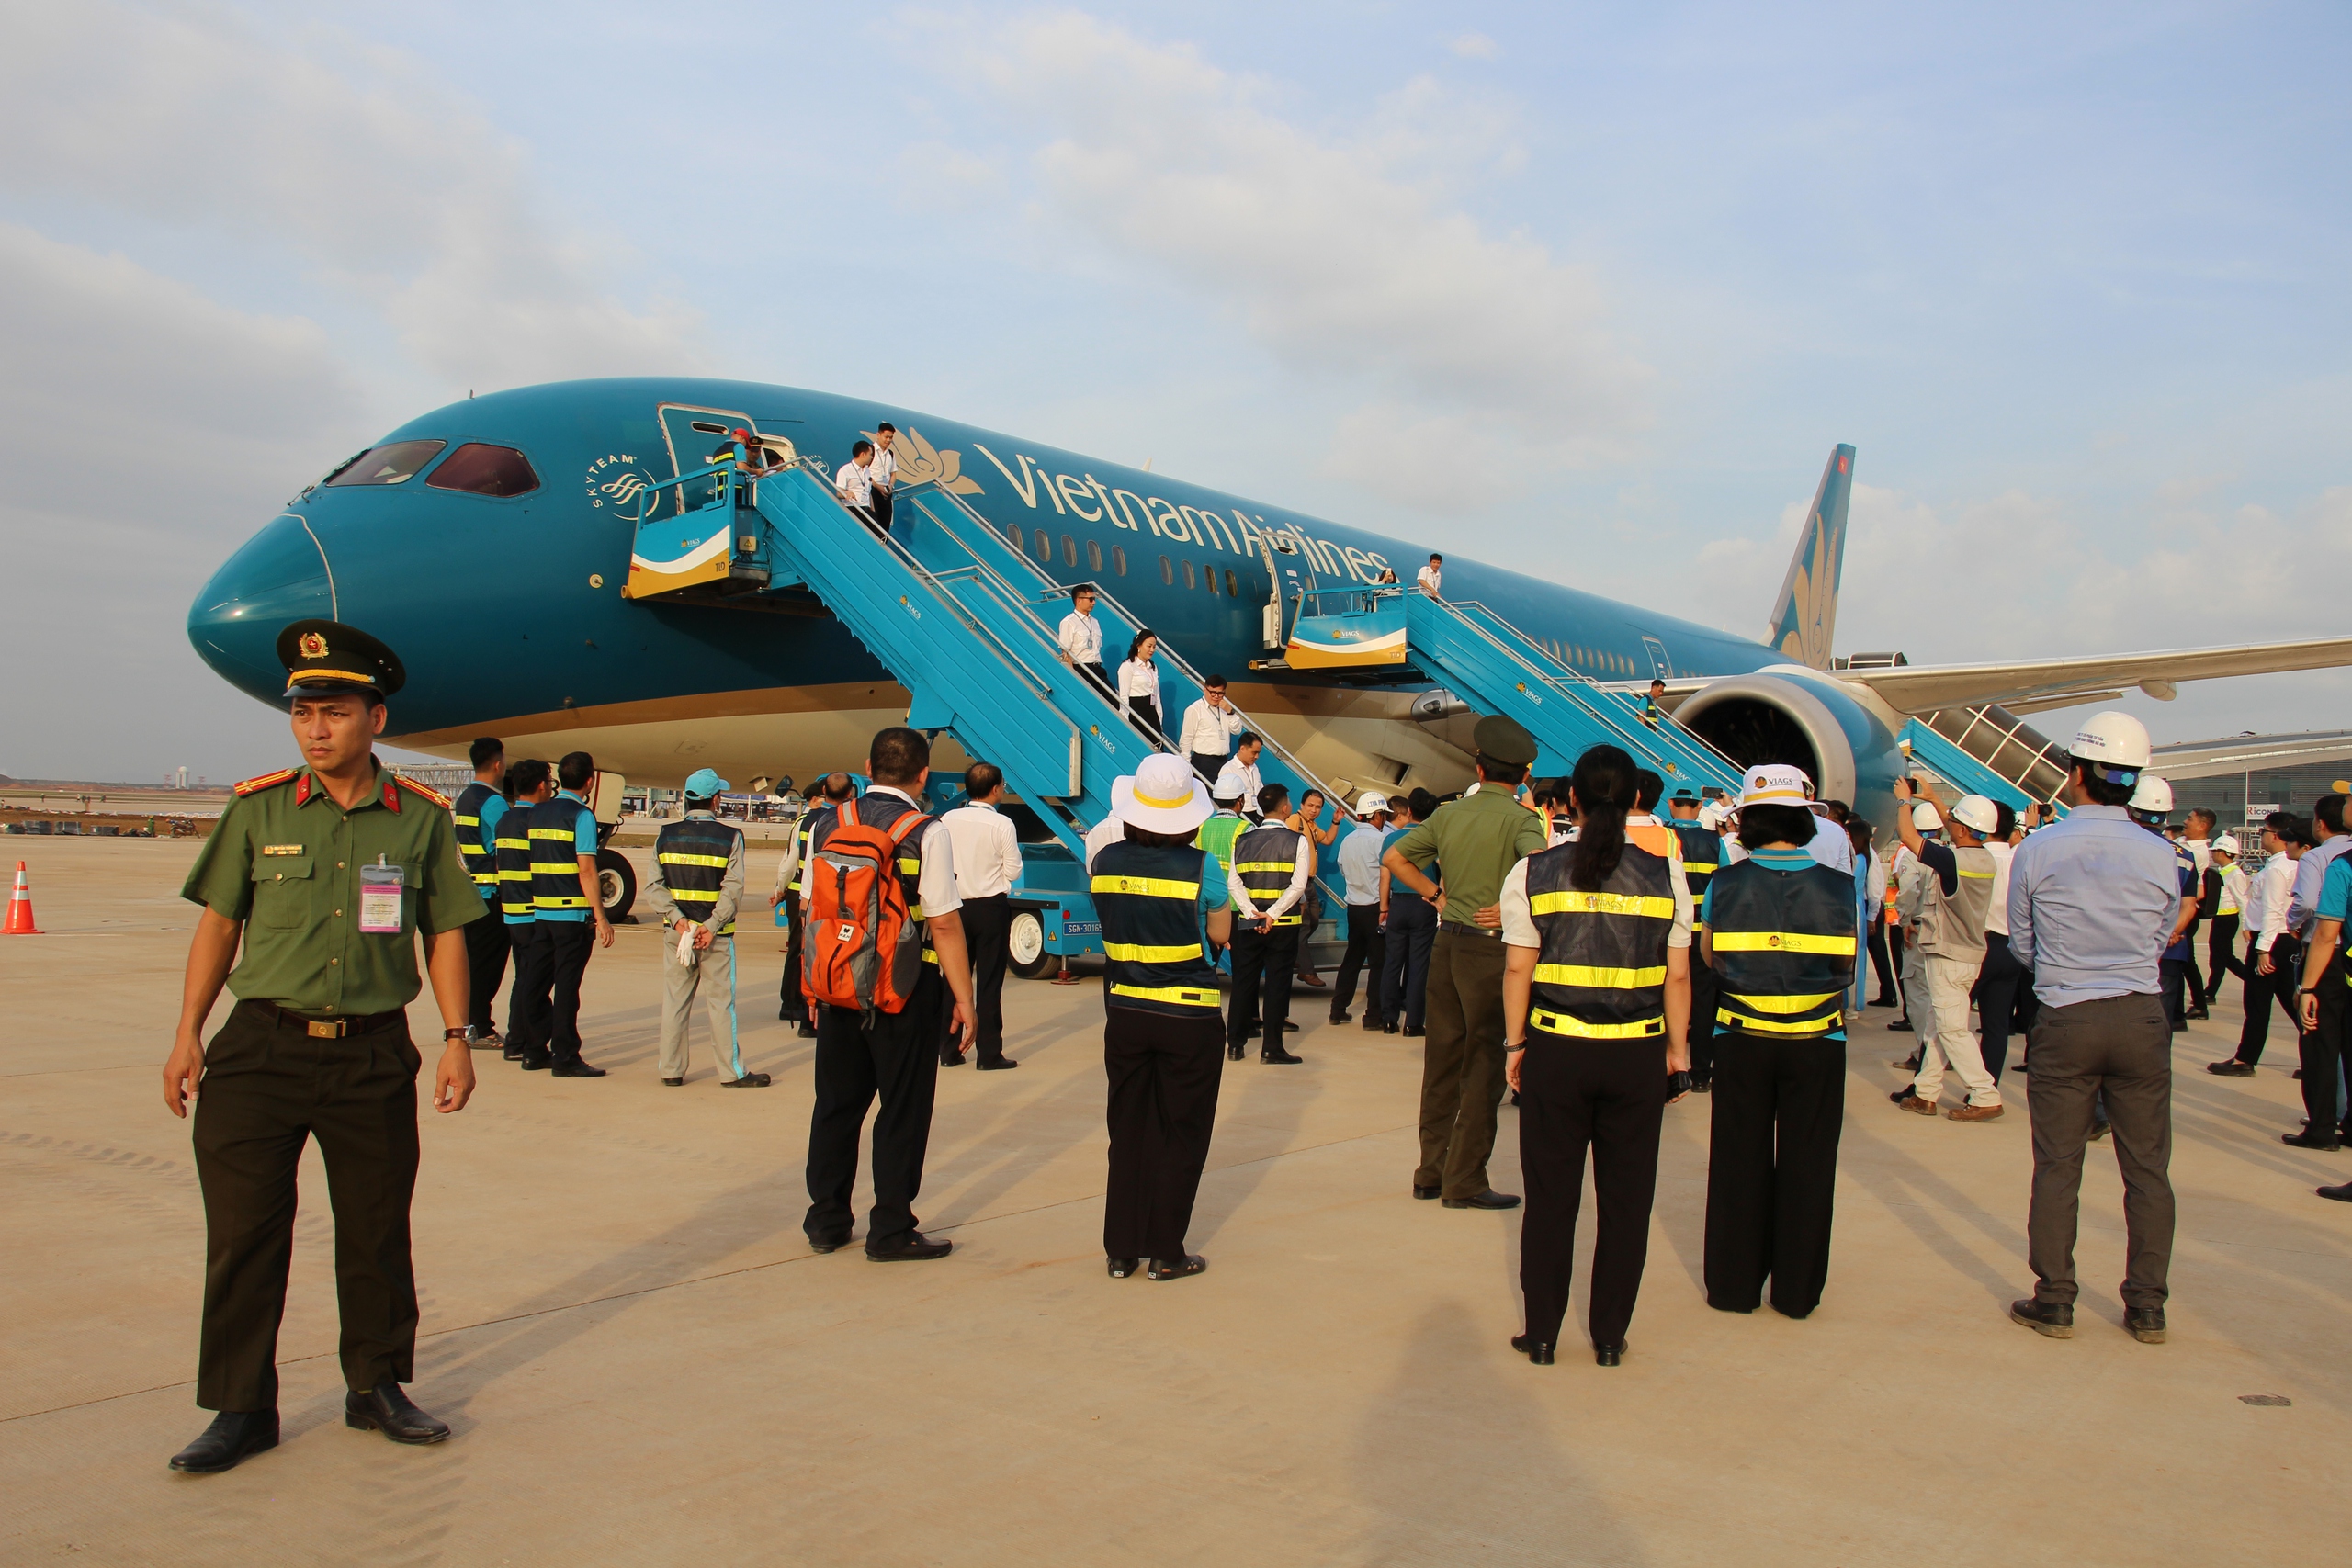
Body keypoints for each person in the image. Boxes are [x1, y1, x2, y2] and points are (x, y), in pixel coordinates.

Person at [160, 619, 482, 1473]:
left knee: (376, 1231)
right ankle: (240, 1407)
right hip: (257, 1052)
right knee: (242, 1234)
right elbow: (219, 924)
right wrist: (188, 1032)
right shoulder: (256, 808)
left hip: (371, 1055)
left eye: (333, 711)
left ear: (375, 718)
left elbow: (445, 931)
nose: (313, 727)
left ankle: (375, 1384)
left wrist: (456, 1036)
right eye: (302, 712)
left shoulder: (418, 819)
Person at [1500, 743, 1694, 1366]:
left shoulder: (1534, 870)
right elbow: (1679, 976)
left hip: (1557, 1050)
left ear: (1571, 800)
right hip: (1635, 1054)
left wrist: (1515, 1044)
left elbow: (1517, 965)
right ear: (1637, 796)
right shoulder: (1667, 873)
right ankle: (1609, 1335)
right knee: (1627, 1200)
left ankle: (1543, 1333)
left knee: (1551, 1197)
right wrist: (1677, 1051)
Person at [2006, 712, 2181, 1345]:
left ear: (2076, 774)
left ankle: (2054, 1296)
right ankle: (2147, 1304)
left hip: (2066, 1013)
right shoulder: (2162, 853)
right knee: (2148, 1167)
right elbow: (2161, 934)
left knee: (2058, 1162)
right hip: (2139, 1012)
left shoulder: (2039, 846)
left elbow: (2022, 942)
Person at [802, 728, 977, 1261]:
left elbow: (814, 909)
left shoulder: (827, 822)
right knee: (902, 1109)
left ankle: (827, 1221)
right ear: (923, 775)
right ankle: (891, 1229)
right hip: (903, 991)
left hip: (837, 983)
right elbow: (943, 923)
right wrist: (965, 1000)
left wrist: (815, 983)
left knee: (835, 1105)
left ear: (867, 767)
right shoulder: (927, 830)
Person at [1698, 764, 1857, 1319]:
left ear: (1745, 820)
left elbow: (1710, 958)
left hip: (1741, 1035)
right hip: (1817, 1038)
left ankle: (1734, 1288)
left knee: (1738, 1160)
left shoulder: (1725, 883)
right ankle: (1796, 1293)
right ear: (1806, 819)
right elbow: (1847, 963)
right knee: (1809, 1163)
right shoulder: (1841, 886)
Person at [1383, 715, 1549, 1210]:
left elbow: (1394, 859)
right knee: (1483, 1066)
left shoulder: (1450, 814)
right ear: (1522, 776)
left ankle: (1429, 1172)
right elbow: (1541, 870)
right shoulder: (1522, 820)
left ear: (1478, 768)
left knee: (1441, 1062)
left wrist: (1436, 894)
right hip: (1491, 950)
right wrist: (1513, 901)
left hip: (1447, 945)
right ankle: (1466, 1180)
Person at [1091, 754, 1233, 1280]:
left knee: (1127, 1128)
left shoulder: (1103, 860)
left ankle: (1121, 1251)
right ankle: (1166, 1252)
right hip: (1188, 1015)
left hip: (1124, 1009)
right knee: (1182, 1130)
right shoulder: (1203, 868)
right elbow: (1219, 936)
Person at [1890, 779, 2004, 1122]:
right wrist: (1935, 798)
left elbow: (1910, 839)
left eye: (1954, 821)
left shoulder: (1954, 860)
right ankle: (1925, 1093)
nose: (1948, 822)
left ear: (1965, 830)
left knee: (1952, 1030)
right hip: (1969, 953)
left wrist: (1903, 802)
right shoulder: (1982, 857)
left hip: (1948, 954)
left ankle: (1985, 1095)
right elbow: (1962, 830)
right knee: (1938, 1027)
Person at [646, 768, 762, 1089]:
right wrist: (710, 926)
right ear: (715, 799)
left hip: (677, 935)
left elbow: (654, 887)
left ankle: (670, 1070)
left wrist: (679, 920)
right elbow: (733, 889)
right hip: (715, 938)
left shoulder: (665, 835)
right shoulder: (731, 837)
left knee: (674, 1004)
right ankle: (731, 1072)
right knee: (721, 1005)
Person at [528, 751, 614, 1077]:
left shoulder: (537, 812)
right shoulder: (581, 816)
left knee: (534, 983)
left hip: (542, 913)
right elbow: (588, 870)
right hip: (571, 917)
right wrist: (600, 915)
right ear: (589, 781)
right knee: (566, 988)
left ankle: (534, 1050)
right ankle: (565, 1056)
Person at [939, 761, 1026, 1070]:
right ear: (995, 789)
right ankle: (989, 1053)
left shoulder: (948, 818)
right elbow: (1014, 869)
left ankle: (948, 1050)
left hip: (955, 906)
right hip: (990, 907)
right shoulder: (1002, 824)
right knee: (989, 983)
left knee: (953, 978)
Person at [2211, 814, 2308, 1075]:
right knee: (2292, 1002)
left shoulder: (2277, 868)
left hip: (2270, 940)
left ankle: (2245, 1060)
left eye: (2263, 831)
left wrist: (2263, 949)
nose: (2261, 835)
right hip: (2285, 939)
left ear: (2275, 836)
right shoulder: (2294, 865)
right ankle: (2316, 1058)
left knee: (2257, 1004)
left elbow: (2272, 911)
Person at [1226, 785, 1311, 1065]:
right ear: (1285, 808)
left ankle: (1235, 1045)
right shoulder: (1296, 841)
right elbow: (1298, 885)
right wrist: (1272, 914)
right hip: (1283, 925)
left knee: (1243, 982)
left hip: (1248, 924)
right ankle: (1271, 1048)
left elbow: (1234, 884)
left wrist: (1253, 913)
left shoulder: (1242, 840)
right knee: (1277, 984)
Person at [2290, 795, 2352, 1151]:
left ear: (2320, 823)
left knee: (2319, 1043)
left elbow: (2312, 906)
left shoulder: (2325, 858)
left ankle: (2321, 1128)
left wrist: (2293, 924)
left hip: (2326, 958)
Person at [772, 773, 854, 1038]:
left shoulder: (804, 822)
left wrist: (780, 888)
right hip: (831, 894)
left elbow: (791, 859)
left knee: (800, 949)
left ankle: (793, 1004)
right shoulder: (846, 820)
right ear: (850, 794)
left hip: (802, 894)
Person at [449, 736, 510, 1050]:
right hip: (493, 894)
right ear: (497, 764)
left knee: (472, 963)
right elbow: (508, 843)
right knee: (490, 965)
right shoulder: (494, 802)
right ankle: (481, 1027)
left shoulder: (464, 798)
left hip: (471, 890)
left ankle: (465, 1022)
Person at [1663, 784, 1724, 1091]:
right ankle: (1701, 1073)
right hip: (1702, 934)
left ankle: (1665, 1069)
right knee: (1702, 1003)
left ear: (1671, 805)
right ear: (1699, 807)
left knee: (1663, 1000)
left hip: (1669, 933)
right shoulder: (1715, 842)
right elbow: (1724, 886)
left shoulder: (1663, 838)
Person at [493, 761, 553, 1063]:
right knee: (536, 982)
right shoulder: (537, 820)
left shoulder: (505, 820)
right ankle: (528, 1042)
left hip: (512, 912)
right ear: (542, 785)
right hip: (534, 912)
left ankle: (516, 1039)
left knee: (524, 976)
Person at [1974, 801, 2037, 1084]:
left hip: (1978, 946)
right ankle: (1989, 1086)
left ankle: (1924, 1086)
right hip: (2012, 948)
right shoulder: (2021, 859)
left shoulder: (1973, 858)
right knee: (1996, 1025)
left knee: (1945, 1020)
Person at [1380, 788, 1439, 1038]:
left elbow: (1385, 875)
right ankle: (1413, 1022)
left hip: (1398, 903)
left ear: (1409, 811)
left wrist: (1384, 907)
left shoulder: (1391, 839)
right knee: (1418, 965)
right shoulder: (1434, 838)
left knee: (1392, 962)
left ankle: (1388, 1019)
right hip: (1425, 903)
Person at [1331, 791, 1391, 1028]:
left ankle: (1338, 1008)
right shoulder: (1380, 841)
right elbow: (1387, 874)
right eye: (1383, 815)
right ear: (1376, 815)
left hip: (1354, 907)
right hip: (1376, 908)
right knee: (1378, 963)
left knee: (1352, 959)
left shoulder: (1347, 839)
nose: (1384, 819)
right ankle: (1373, 1015)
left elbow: (1343, 869)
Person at [1284, 787, 1340, 987]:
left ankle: (1297, 956)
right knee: (1305, 925)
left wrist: (1335, 822)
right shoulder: (1294, 821)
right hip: (1298, 882)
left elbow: (1327, 840)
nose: (1314, 810)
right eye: (1310, 805)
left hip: (1310, 881)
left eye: (1318, 807)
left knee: (1313, 921)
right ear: (1302, 805)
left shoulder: (1312, 826)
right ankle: (1306, 970)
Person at [1194, 775, 1250, 965]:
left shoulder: (1201, 827)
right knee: (1240, 958)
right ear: (1240, 800)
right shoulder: (1246, 828)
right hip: (1235, 904)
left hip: (1204, 900)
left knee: (1207, 955)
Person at [2178, 808, 2218, 1018]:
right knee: (2183, 960)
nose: (2185, 821)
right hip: (2181, 907)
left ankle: (2199, 1004)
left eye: (2190, 819)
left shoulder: (2199, 852)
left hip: (2186, 909)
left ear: (2202, 825)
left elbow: (2199, 889)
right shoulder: (2184, 844)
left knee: (2185, 959)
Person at [1178, 674, 1247, 784]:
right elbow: (1186, 738)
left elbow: (1236, 730)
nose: (1216, 696)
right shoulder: (1194, 709)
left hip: (1223, 760)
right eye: (1213, 692)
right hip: (1204, 761)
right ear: (1205, 689)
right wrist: (1186, 763)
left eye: (1220, 693)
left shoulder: (1224, 708)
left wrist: (1230, 712)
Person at [2201, 832, 2246, 994]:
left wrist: (2245, 926)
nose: (2212, 855)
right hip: (2220, 919)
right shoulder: (2223, 872)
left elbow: (2242, 901)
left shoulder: (2235, 874)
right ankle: (2211, 991)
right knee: (2220, 957)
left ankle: (2211, 991)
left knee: (2223, 958)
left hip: (2228, 920)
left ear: (2222, 852)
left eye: (2214, 851)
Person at [1057, 584, 1111, 700]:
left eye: (1094, 599)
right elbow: (1065, 652)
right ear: (1079, 600)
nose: (1094, 602)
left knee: (1113, 701)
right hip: (1082, 668)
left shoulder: (1095, 622)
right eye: (1090, 599)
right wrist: (1074, 677)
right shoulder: (1069, 622)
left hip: (1098, 668)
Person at [1117, 629, 1167, 738]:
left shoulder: (1153, 667)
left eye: (1154, 647)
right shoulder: (1128, 666)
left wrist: (1159, 719)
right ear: (1139, 646)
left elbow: (1157, 695)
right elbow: (1124, 696)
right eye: (1149, 646)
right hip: (1136, 710)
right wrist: (1125, 720)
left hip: (1151, 712)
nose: (1152, 650)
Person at [1217, 734, 1266, 822]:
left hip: (1258, 813)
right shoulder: (1228, 769)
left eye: (1258, 753)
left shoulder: (1254, 767)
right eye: (1254, 752)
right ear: (1243, 749)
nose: (1257, 757)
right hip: (1241, 815)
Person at [834, 438, 878, 531]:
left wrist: (873, 510)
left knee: (878, 535)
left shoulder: (867, 471)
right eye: (870, 455)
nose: (871, 458)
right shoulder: (845, 470)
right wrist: (847, 493)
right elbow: (839, 492)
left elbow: (868, 492)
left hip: (867, 509)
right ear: (862, 454)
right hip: (853, 508)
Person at [868, 422, 898, 534]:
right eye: (886, 437)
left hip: (886, 493)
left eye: (891, 438)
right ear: (878, 435)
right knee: (874, 524)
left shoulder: (891, 454)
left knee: (885, 525)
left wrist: (890, 485)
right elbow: (865, 473)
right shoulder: (870, 450)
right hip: (873, 491)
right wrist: (877, 485)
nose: (888, 440)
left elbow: (894, 474)